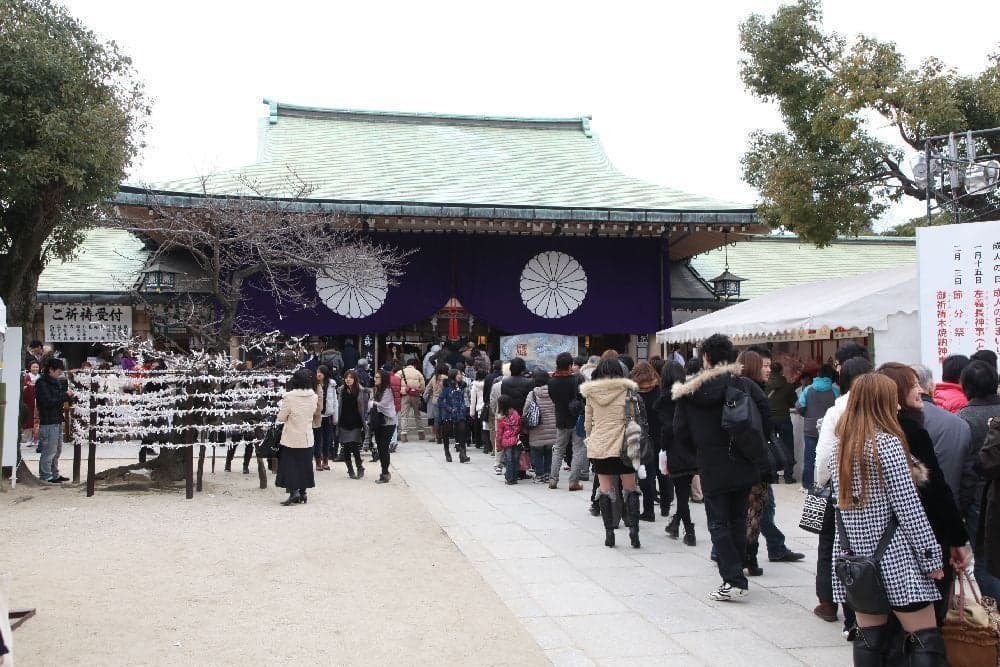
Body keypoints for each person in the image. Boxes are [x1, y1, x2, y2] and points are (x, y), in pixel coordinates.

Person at [829, 373, 948, 666]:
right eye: (892, 399)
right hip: (895, 559)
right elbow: (909, 508)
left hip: (856, 558)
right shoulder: (888, 445)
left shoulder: (841, 447)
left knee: (869, 637)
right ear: (881, 403)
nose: (897, 406)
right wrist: (931, 558)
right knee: (924, 637)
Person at [673, 334, 769, 601]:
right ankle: (736, 572)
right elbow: (765, 417)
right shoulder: (745, 385)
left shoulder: (691, 390)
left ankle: (733, 578)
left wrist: (698, 454)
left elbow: (680, 432)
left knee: (718, 521)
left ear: (705, 358)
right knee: (738, 519)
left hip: (711, 463)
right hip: (743, 460)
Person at [877, 363, 972, 624]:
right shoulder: (910, 431)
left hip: (879, 547)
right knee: (924, 627)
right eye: (913, 385)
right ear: (896, 392)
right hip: (922, 540)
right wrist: (955, 539)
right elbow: (935, 492)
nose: (920, 390)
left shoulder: (866, 431)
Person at [813, 355, 872, 626]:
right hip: (871, 488)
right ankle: (863, 606)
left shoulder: (836, 411)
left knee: (830, 543)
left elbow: (824, 455)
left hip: (840, 486)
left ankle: (827, 602)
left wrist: (820, 483)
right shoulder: (877, 407)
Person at [738, 351, 804, 578]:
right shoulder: (752, 391)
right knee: (759, 508)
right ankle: (764, 550)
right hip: (755, 461)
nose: (768, 369)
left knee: (761, 507)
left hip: (751, 461)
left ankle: (770, 547)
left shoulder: (750, 389)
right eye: (764, 365)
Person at [580, 358, 643, 549]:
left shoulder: (591, 393)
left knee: (605, 490)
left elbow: (588, 424)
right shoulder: (627, 391)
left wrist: (592, 438)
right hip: (625, 446)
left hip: (600, 446)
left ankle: (609, 533)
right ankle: (634, 531)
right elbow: (635, 417)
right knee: (630, 489)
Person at [956, 359, 1000, 602]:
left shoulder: (964, 418)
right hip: (989, 495)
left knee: (985, 560)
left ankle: (994, 616)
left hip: (979, 500)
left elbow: (964, 466)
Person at [910, 364, 974, 503]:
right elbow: (968, 476)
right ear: (931, 387)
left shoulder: (889, 424)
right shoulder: (959, 424)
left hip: (906, 514)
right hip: (949, 506)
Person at [657, 360, 697, 545]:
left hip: (675, 448)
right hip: (692, 448)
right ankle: (675, 524)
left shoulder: (665, 399)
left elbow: (666, 428)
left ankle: (689, 532)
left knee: (681, 494)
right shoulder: (690, 395)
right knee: (684, 490)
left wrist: (663, 447)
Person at [275, 369, 319, 506]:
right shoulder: (314, 396)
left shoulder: (289, 397)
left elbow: (281, 417)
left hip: (292, 436)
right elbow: (313, 413)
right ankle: (303, 493)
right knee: (305, 465)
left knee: (291, 465)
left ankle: (294, 493)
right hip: (307, 435)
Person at [547, 352, 587, 491]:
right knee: (578, 449)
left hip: (561, 418)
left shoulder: (551, 381)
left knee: (558, 449)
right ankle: (573, 482)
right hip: (577, 418)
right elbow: (584, 397)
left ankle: (553, 480)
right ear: (570, 365)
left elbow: (553, 399)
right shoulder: (578, 379)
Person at [631, 361, 664, 522]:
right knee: (661, 472)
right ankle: (665, 504)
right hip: (659, 436)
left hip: (641, 437)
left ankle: (649, 510)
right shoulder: (659, 389)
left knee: (646, 474)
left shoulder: (634, 394)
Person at [798, 364, 840, 490]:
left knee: (809, 458)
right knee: (829, 457)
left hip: (810, 429)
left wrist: (808, 415)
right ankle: (827, 485)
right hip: (829, 430)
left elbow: (799, 406)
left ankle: (807, 485)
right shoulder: (835, 391)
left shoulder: (808, 389)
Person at [35, 358, 71, 483]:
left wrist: (66, 395)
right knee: (49, 450)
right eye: (58, 371)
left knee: (57, 449)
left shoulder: (56, 382)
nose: (60, 374)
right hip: (48, 420)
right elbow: (48, 401)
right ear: (51, 370)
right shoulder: (41, 383)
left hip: (57, 419)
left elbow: (58, 398)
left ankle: (54, 473)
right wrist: (65, 396)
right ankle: (45, 475)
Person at [767, 361, 798, 484]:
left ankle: (773, 475)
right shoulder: (788, 386)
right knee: (788, 445)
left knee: (770, 447)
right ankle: (788, 475)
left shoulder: (765, 385)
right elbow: (794, 403)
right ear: (781, 371)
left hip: (769, 420)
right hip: (784, 418)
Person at [337, 370, 369, 479]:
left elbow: (365, 408)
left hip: (356, 421)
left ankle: (359, 467)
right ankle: (350, 470)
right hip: (343, 421)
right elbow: (339, 406)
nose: (348, 379)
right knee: (345, 447)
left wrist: (365, 421)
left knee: (354, 446)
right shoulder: (341, 390)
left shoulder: (361, 391)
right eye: (346, 377)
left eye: (351, 377)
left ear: (355, 379)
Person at [526, 369, 556, 484]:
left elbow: (526, 409)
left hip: (536, 426)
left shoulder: (532, 393)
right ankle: (548, 474)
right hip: (551, 426)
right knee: (549, 451)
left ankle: (539, 475)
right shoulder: (553, 392)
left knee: (537, 451)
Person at [438, 369, 471, 463]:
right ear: (453, 375)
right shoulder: (447, 386)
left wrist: (463, 408)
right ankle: (447, 451)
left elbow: (462, 399)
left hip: (460, 412)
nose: (460, 376)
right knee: (446, 433)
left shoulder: (462, 385)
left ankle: (462, 454)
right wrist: (449, 409)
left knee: (462, 431)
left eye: (461, 374)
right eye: (458, 374)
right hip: (448, 413)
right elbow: (440, 400)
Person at [371, 369, 397, 484]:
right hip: (379, 422)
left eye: (377, 377)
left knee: (383, 447)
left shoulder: (387, 390)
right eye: (375, 377)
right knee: (380, 447)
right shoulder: (378, 390)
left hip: (388, 422)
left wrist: (372, 403)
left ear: (383, 379)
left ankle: (385, 473)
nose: (375, 379)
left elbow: (384, 405)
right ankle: (384, 472)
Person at [313, 365, 338, 471]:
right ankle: (318, 461)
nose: (319, 374)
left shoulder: (331, 385)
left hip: (328, 416)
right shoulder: (313, 384)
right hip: (317, 416)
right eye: (317, 371)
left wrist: (336, 416)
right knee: (317, 440)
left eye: (321, 372)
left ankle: (325, 461)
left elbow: (335, 401)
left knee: (328, 439)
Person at [396, 359, 426, 442]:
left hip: (405, 395)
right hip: (415, 396)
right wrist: (420, 391)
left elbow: (395, 382)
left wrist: (400, 391)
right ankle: (421, 434)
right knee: (417, 414)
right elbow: (423, 385)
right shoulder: (418, 372)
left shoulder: (400, 372)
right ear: (414, 365)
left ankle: (404, 435)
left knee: (404, 415)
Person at [494, 394, 522, 485]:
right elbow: (519, 426)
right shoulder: (515, 414)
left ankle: (509, 478)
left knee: (509, 460)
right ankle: (514, 477)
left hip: (506, 442)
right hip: (516, 440)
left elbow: (499, 433)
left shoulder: (501, 418)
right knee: (515, 459)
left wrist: (498, 446)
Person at [20, 361, 40, 453]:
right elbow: (25, 388)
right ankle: (29, 439)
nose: (35, 369)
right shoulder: (27, 376)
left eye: (37, 367)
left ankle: (36, 438)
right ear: (30, 368)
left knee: (37, 419)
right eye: (33, 367)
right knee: (29, 419)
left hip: (38, 400)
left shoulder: (40, 377)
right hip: (29, 401)